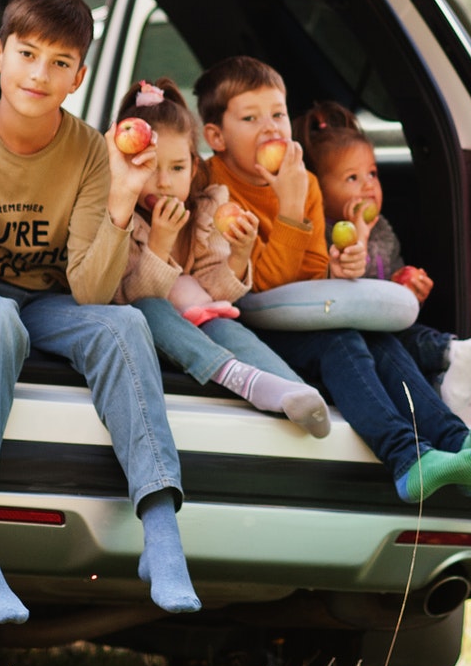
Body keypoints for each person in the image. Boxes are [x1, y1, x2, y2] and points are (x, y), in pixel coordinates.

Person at [0, 0, 200, 624]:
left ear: (78, 77)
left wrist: (123, 198)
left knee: (122, 322)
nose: (40, 73)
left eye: (59, 63)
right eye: (28, 54)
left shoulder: (94, 151)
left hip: (41, 299)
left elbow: (91, 291)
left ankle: (161, 531)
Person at [195, 55, 471, 502]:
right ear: (216, 136)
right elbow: (258, 289)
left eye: (279, 114)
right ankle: (408, 457)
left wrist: (338, 267)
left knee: (379, 340)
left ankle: (457, 444)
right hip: (245, 325)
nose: (270, 128)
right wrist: (287, 209)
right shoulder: (211, 184)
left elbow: (307, 276)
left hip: (291, 316)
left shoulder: (303, 182)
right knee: (341, 342)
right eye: (250, 118)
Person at [111, 78, 331, 438]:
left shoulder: (207, 209)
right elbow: (131, 295)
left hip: (201, 319)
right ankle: (237, 376)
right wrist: (160, 245)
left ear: (195, 168)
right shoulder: (124, 220)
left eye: (177, 168)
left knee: (227, 326)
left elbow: (215, 291)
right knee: (152, 309)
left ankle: (295, 390)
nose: (164, 182)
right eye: (150, 168)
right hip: (153, 329)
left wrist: (238, 257)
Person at [298, 99, 471, 415]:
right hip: (349, 334)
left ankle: (451, 365)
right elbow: (347, 283)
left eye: (372, 173)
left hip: (383, 327)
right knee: (399, 344)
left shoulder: (382, 228)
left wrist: (405, 285)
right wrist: (359, 235)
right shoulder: (320, 233)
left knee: (409, 336)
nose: (368, 186)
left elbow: (389, 277)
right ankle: (453, 355)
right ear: (317, 190)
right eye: (352, 178)